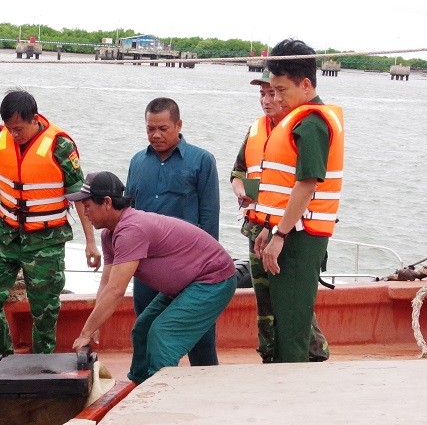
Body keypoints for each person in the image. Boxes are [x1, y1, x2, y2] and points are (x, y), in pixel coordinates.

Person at [0, 89, 101, 356]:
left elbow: (80, 197)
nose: (14, 134)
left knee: (44, 311)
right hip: (6, 236)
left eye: (19, 128)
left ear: (34, 118)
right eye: (10, 129)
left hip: (45, 241)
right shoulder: (0, 141)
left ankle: (41, 364)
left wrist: (91, 243)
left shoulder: (61, 146)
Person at [69, 171, 237, 384]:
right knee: (142, 329)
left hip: (213, 279)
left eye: (87, 205)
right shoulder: (109, 234)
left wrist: (85, 332)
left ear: (107, 202)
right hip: (186, 283)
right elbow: (107, 283)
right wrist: (94, 325)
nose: (84, 212)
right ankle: (139, 385)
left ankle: (160, 395)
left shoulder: (131, 230)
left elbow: (116, 291)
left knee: (162, 335)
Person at [250, 39, 344, 363]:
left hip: (301, 239)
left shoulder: (312, 123)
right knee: (284, 323)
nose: (275, 98)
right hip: (290, 233)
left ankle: (294, 403)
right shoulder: (298, 119)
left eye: (281, 91)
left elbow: (306, 185)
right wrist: (267, 228)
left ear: (305, 85)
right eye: (271, 91)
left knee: (293, 332)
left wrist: (279, 236)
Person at [231, 70, 329, 363]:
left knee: (292, 301)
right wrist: (240, 190)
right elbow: (237, 171)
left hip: (290, 231)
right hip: (258, 229)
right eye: (263, 94)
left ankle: (313, 353)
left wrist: (281, 233)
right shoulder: (256, 131)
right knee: (266, 300)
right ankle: (271, 354)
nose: (268, 99)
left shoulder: (302, 127)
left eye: (274, 92)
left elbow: (305, 184)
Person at [124, 97, 221, 366]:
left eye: (163, 128)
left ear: (178, 125)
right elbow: (128, 216)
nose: (155, 135)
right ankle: (149, 389)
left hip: (189, 269)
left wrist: (205, 271)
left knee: (200, 339)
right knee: (146, 330)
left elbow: (209, 218)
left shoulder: (202, 161)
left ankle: (207, 389)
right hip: (146, 267)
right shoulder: (137, 162)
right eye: (149, 129)